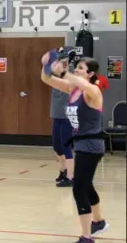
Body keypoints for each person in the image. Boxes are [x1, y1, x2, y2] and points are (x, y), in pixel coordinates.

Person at [41, 49, 110, 243]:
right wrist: (46, 64)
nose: (77, 70)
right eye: (76, 67)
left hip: (91, 145)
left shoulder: (93, 92)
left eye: (80, 68)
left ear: (90, 74)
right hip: (81, 145)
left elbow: (77, 81)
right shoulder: (73, 90)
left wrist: (62, 70)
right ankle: (99, 222)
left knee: (79, 189)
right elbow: (47, 79)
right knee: (86, 186)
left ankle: (87, 237)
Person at [50, 60, 75, 187]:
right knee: (56, 147)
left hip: (66, 118)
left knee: (66, 147)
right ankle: (63, 170)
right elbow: (47, 72)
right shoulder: (54, 80)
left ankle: (71, 177)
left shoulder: (68, 82)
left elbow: (68, 70)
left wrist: (66, 59)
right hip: (56, 117)